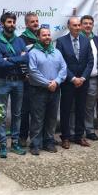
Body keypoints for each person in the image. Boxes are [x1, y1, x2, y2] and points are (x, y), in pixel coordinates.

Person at [0, 12, 28, 158]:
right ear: (2, 24)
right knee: (1, 114)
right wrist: (18, 58)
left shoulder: (20, 41)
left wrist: (9, 58)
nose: (12, 24)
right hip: (2, 81)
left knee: (17, 114)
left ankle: (14, 143)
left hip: (18, 81)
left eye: (13, 22)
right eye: (9, 22)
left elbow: (27, 59)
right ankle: (2, 145)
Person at [27, 27, 67, 155]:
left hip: (55, 89)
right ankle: (35, 144)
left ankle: (48, 142)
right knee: (37, 118)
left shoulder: (56, 52)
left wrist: (56, 81)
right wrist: (47, 83)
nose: (47, 37)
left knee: (51, 117)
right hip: (38, 90)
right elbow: (32, 71)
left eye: (49, 35)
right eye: (44, 35)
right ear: (38, 37)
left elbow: (64, 68)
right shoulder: (33, 52)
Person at [56, 17, 94, 149]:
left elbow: (90, 62)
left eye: (79, 25)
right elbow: (61, 63)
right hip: (68, 82)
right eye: (75, 25)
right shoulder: (61, 41)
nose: (78, 27)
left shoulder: (86, 40)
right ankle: (65, 137)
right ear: (69, 26)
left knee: (81, 109)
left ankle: (79, 136)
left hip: (83, 82)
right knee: (66, 109)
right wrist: (73, 78)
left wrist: (82, 78)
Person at [19, 12, 40, 148]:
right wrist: (25, 75)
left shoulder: (41, 37)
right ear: (26, 24)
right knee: (25, 111)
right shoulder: (21, 39)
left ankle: (37, 138)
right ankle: (22, 137)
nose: (36, 23)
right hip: (27, 82)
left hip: (40, 81)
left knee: (38, 112)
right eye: (32, 22)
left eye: (37, 21)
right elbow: (20, 60)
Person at [79, 15, 98, 141]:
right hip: (79, 79)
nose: (88, 25)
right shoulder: (77, 39)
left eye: (90, 23)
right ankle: (75, 130)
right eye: (85, 23)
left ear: (93, 25)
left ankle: (89, 130)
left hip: (92, 78)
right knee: (76, 106)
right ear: (81, 25)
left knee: (90, 106)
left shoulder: (96, 39)